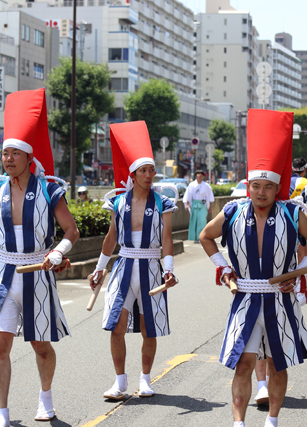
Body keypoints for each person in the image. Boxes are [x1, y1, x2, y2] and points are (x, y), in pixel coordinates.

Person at [199, 109, 307, 427]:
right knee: (243, 365)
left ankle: (271, 421)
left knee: (277, 365)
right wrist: (223, 267)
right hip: (245, 296)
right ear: (249, 187)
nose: (261, 192)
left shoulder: (291, 213)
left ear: (276, 189)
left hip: (280, 298)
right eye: (255, 186)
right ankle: (239, 423)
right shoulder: (232, 212)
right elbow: (205, 236)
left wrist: (298, 274)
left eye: (267, 187)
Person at [0, 89, 79, 426]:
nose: (7, 159)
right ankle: (2, 415)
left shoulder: (49, 188)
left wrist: (58, 252)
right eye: (4, 153)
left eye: (14, 153)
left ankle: (45, 398)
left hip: (38, 271)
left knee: (40, 346)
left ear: (28, 157)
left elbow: (71, 230)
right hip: (3, 270)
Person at [90, 121, 178, 400]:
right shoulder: (118, 202)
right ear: (133, 174)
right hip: (124, 264)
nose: (150, 174)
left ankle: (146, 379)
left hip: (152, 266)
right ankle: (120, 382)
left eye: (152, 170)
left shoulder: (163, 203)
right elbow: (111, 238)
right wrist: (99, 269)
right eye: (144, 170)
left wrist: (169, 270)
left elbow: (166, 239)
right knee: (116, 325)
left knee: (147, 327)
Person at [184, 170, 214, 243]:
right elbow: (188, 195)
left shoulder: (206, 185)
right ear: (196, 176)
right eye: (198, 174)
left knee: (202, 221)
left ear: (203, 176)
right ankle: (195, 238)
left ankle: (202, 237)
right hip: (194, 204)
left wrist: (210, 207)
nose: (199, 176)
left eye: (201, 174)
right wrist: (187, 204)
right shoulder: (191, 185)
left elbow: (209, 197)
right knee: (194, 221)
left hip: (203, 205)